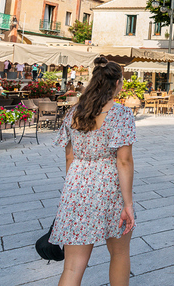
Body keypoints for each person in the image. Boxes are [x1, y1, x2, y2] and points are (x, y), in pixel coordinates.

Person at [50, 57, 137, 286]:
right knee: (119, 253)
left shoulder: (74, 113)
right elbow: (124, 161)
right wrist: (128, 204)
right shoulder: (121, 114)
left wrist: (73, 188)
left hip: (77, 184)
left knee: (72, 266)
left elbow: (69, 156)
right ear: (118, 83)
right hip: (109, 185)